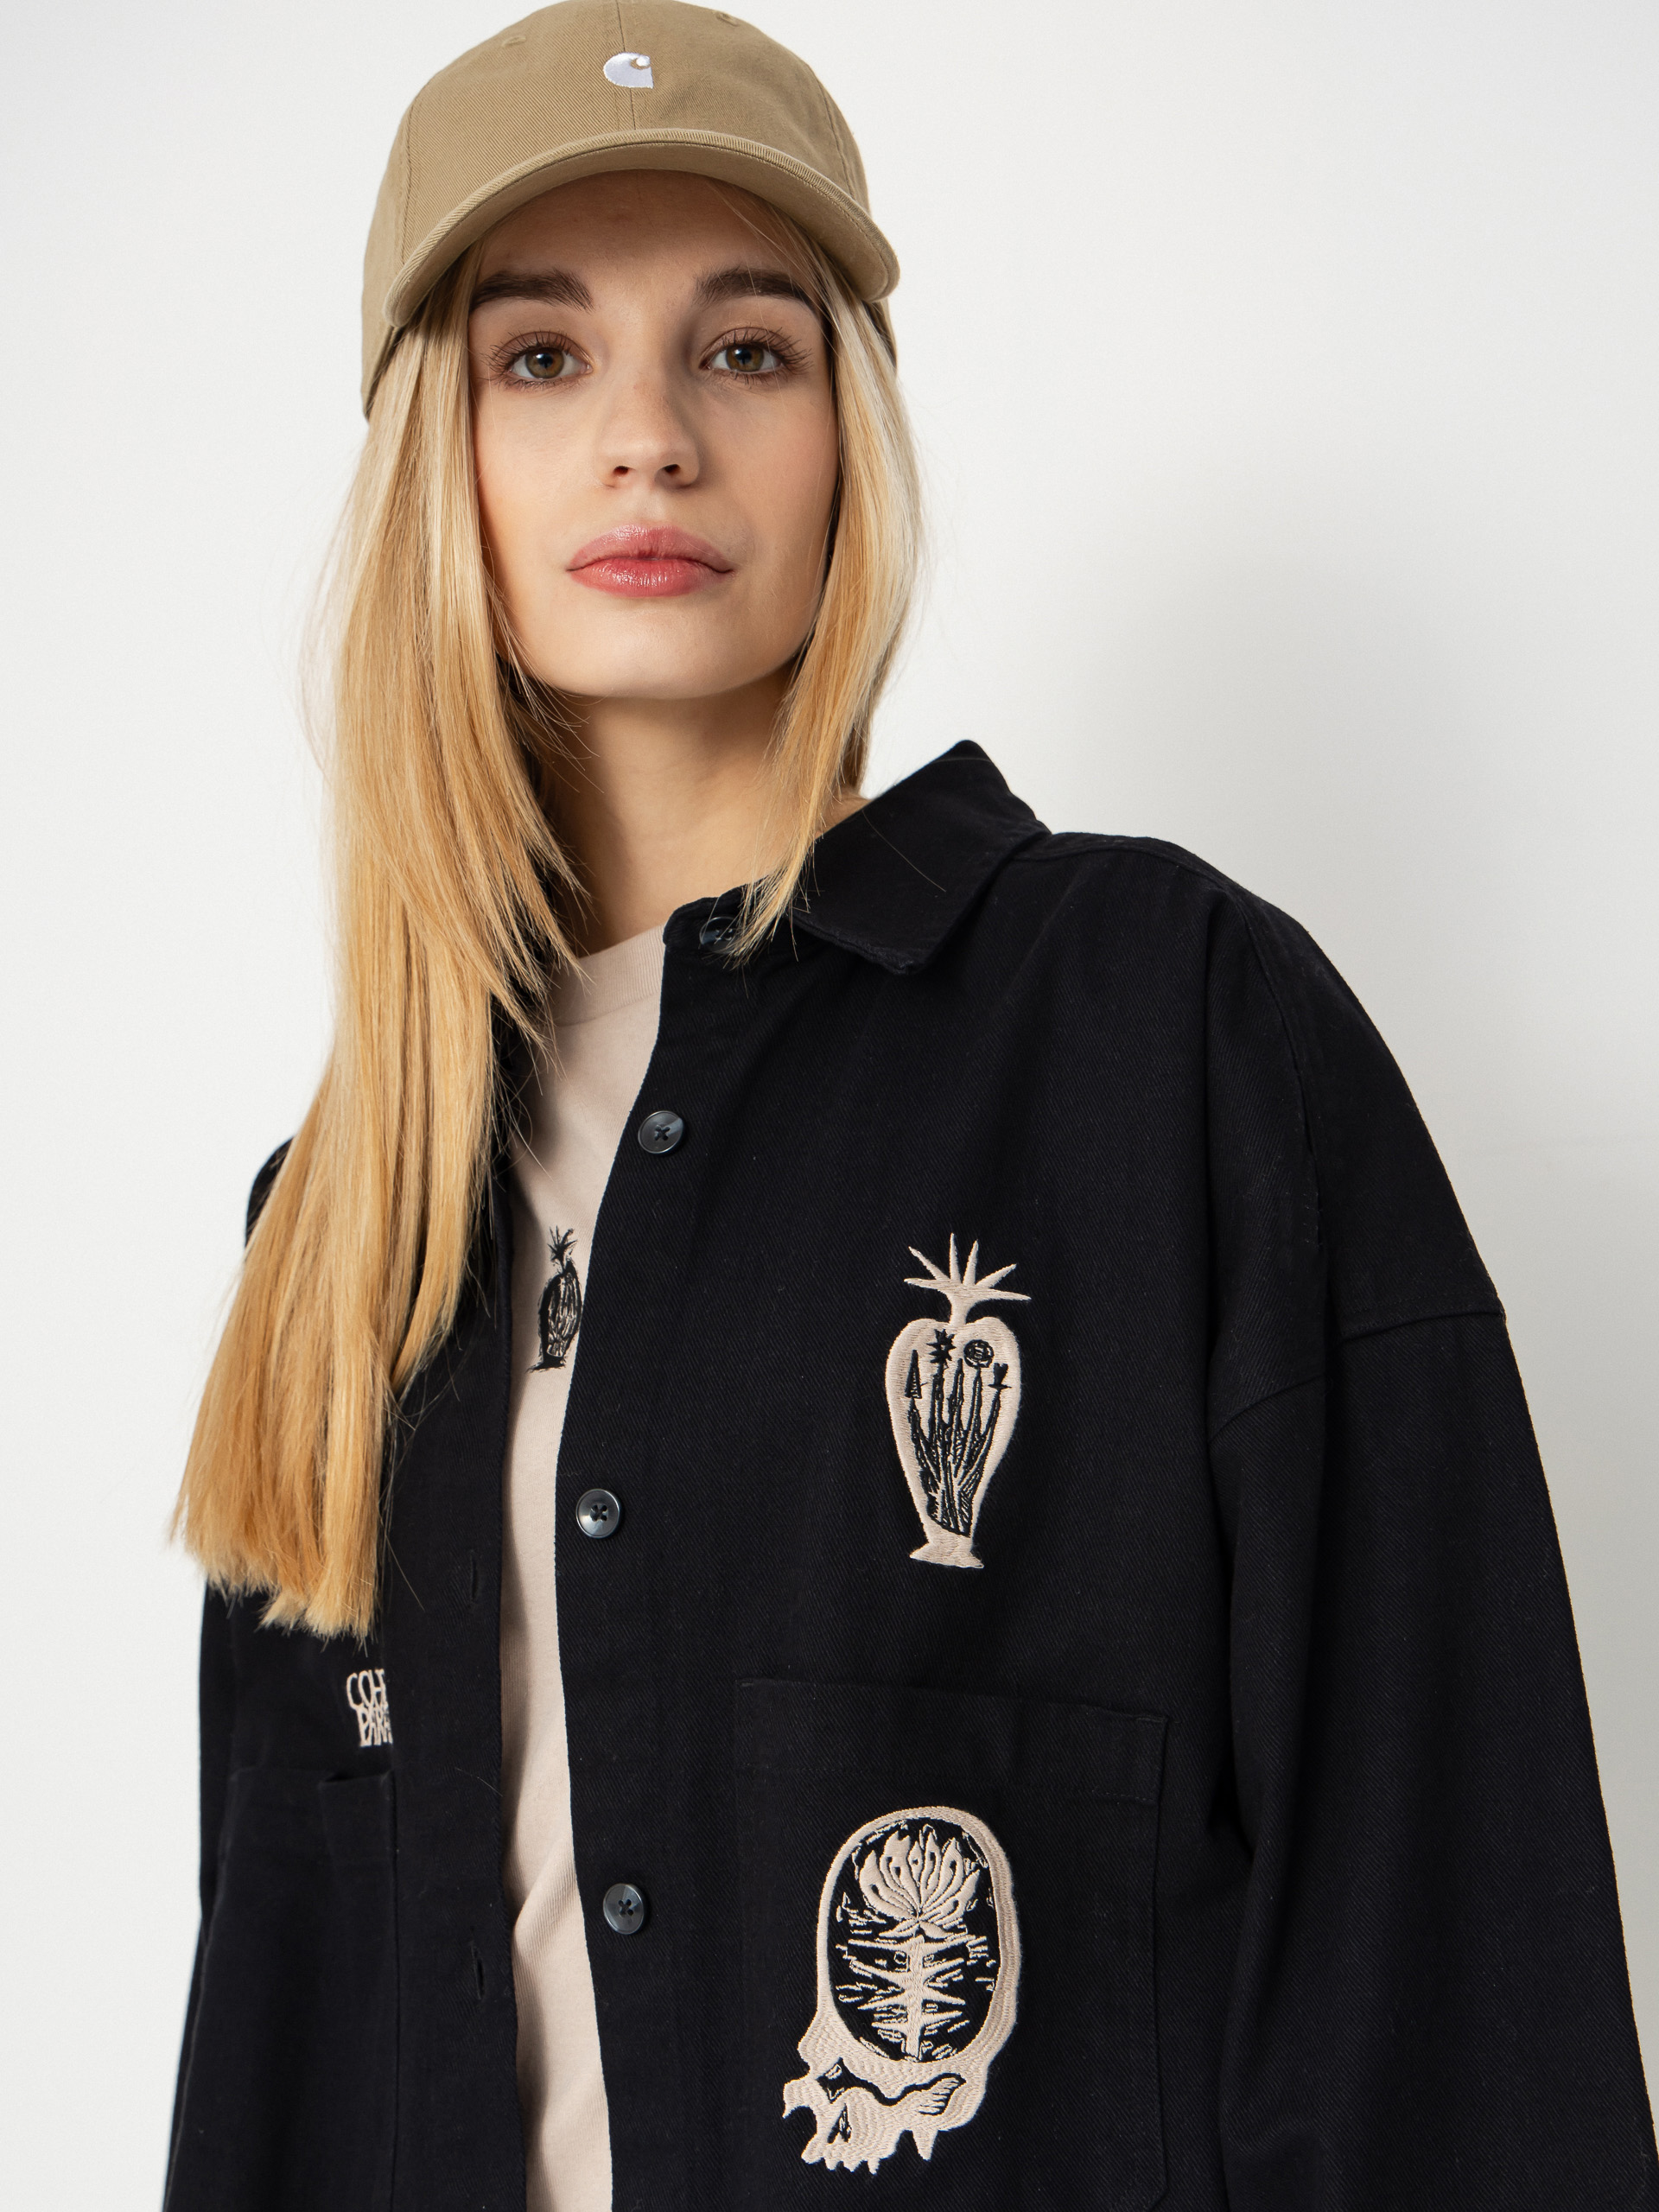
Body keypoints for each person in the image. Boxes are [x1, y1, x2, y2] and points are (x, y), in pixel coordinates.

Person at [163, 4, 1656, 2208]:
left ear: (846, 432)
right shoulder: (341, 1213)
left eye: (744, 350)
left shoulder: (1171, 1031)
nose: (650, 439)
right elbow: (280, 2040)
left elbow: (1446, 1940)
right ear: (431, 462)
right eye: (541, 357)